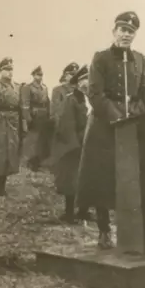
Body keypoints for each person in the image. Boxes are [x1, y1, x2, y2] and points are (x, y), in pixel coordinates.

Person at [76, 11, 145, 249]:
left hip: (131, 125)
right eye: (122, 30)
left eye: (131, 31)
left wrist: (142, 109)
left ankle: (132, 229)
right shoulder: (100, 58)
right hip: (104, 124)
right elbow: (96, 94)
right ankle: (103, 230)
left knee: (131, 177)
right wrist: (118, 116)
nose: (126, 35)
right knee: (102, 176)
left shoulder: (140, 59)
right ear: (114, 32)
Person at [50, 65, 90, 224]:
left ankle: (84, 210)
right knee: (72, 181)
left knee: (88, 179)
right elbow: (66, 125)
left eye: (88, 79)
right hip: (75, 146)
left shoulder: (93, 99)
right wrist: (75, 144)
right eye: (82, 80)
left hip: (91, 144)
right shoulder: (71, 99)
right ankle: (69, 213)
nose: (86, 83)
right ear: (77, 83)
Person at [0, 57, 27, 196]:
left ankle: (3, 185)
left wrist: (23, 126)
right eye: (6, 70)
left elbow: (21, 108)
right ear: (0, 71)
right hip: (0, 124)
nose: (9, 72)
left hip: (13, 124)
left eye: (11, 69)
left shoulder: (18, 87)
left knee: (10, 155)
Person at [21, 66, 51, 172]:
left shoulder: (45, 87)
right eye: (38, 75)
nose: (40, 77)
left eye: (41, 75)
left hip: (43, 117)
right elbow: (25, 104)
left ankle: (38, 161)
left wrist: (49, 115)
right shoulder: (28, 87)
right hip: (34, 116)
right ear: (33, 75)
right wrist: (28, 119)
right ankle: (30, 162)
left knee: (41, 141)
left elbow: (47, 103)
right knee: (33, 140)